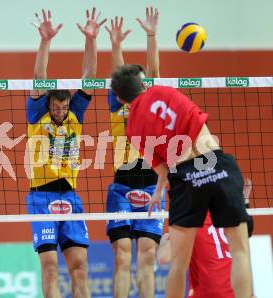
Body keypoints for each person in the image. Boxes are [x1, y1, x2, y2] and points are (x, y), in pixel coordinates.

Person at [110, 62, 253, 297]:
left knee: (178, 265)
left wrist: (159, 190)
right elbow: (198, 122)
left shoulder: (132, 127)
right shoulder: (166, 91)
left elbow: (162, 169)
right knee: (239, 250)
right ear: (143, 83)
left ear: (120, 97)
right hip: (216, 162)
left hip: (186, 177)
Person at [26, 8, 106, 298]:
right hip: (40, 196)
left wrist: (91, 40)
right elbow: (39, 77)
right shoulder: (37, 116)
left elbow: (90, 77)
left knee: (80, 267)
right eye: (55, 107)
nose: (60, 111)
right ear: (48, 105)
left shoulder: (75, 115)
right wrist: (45, 41)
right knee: (49, 268)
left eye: (64, 107)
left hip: (70, 196)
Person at [104, 7, 162, 298]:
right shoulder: (119, 105)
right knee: (123, 255)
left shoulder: (153, 103)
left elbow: (155, 74)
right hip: (122, 186)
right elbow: (121, 76)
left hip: (153, 184)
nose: (140, 83)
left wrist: (151, 35)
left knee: (148, 256)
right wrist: (116, 46)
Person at [157, 178, 254, 298]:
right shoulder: (230, 215)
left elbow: (163, 258)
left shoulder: (191, 220)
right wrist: (244, 201)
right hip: (240, 293)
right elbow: (247, 232)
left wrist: (163, 241)